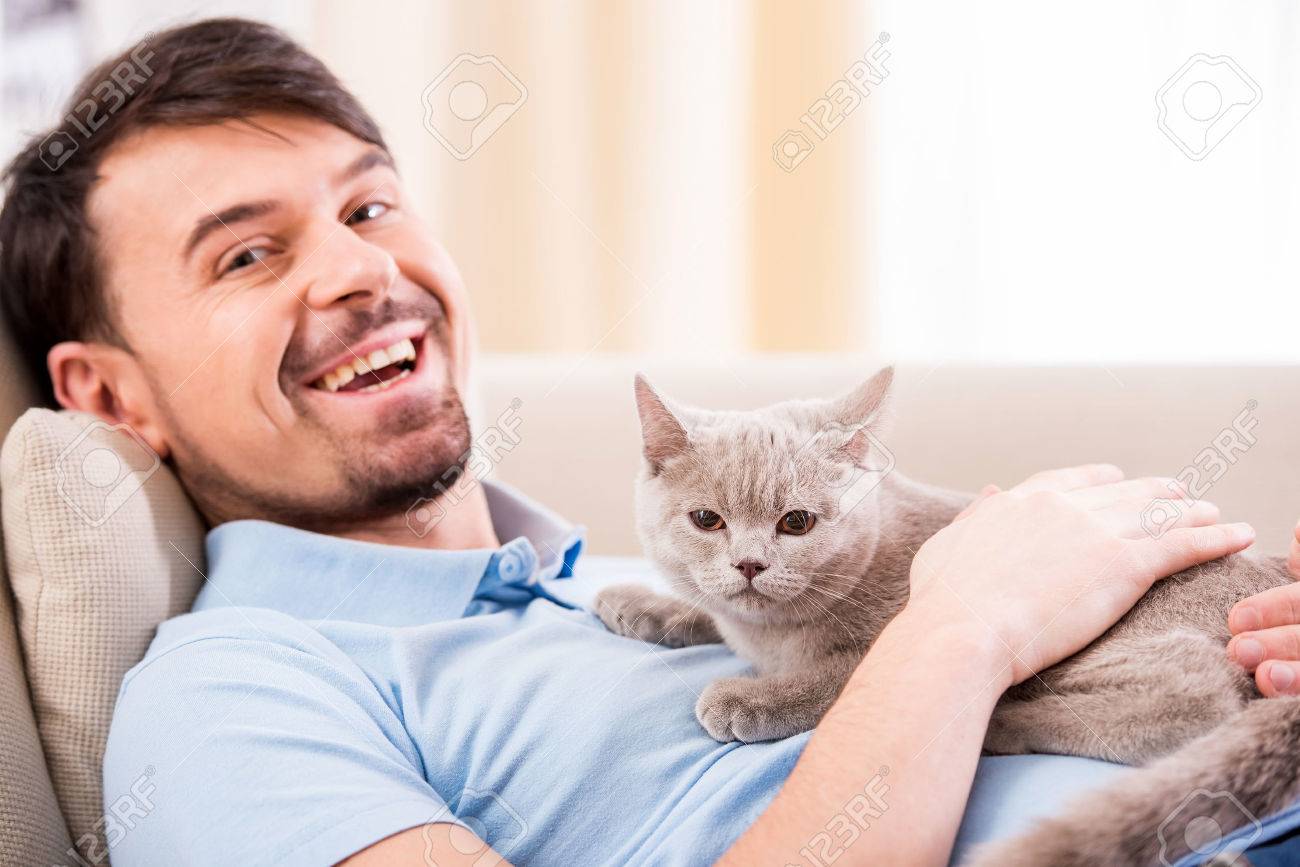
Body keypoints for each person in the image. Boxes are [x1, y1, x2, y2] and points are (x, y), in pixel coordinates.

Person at [2, 18, 1297, 867]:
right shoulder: (234, 693)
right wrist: (961, 631)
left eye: (371, 202)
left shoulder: (623, 586)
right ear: (111, 396)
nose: (357, 269)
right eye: (249, 253)